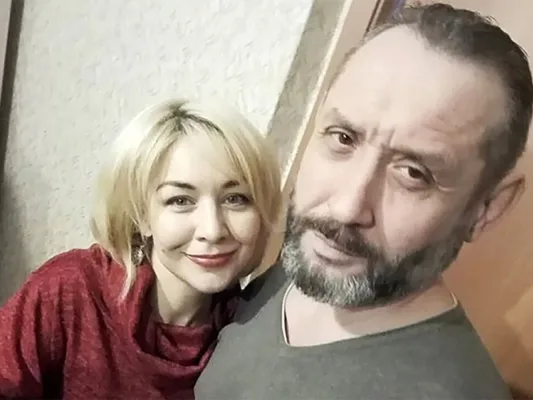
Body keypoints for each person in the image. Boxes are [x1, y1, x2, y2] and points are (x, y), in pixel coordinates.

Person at [195, 4, 532, 399]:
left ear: (486, 209)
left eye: (413, 173)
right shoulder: (311, 261)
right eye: (343, 138)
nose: (346, 208)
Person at [0, 99, 281, 399]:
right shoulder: (70, 290)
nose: (212, 230)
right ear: (141, 216)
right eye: (180, 200)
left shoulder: (249, 330)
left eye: (235, 199)